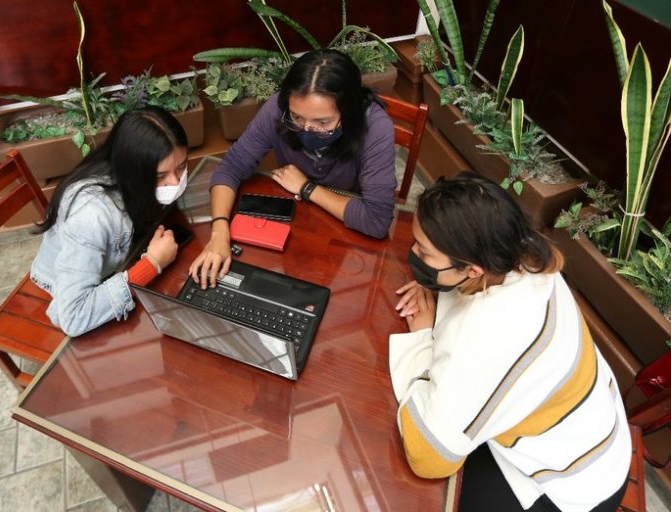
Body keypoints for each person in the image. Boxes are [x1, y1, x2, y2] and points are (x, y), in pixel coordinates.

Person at [391, 173, 631, 512]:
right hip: (591, 430)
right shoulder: (524, 255)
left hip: (571, 485)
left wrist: (420, 340)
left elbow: (428, 457)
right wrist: (436, 283)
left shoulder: (493, 331)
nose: (412, 254)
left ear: (472, 269)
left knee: (418, 492)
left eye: (424, 253)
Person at [190, 49, 397, 288]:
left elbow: (376, 220)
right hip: (294, 221)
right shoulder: (277, 109)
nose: (307, 129)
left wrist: (308, 188)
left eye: (323, 122)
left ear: (349, 111)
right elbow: (230, 167)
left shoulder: (376, 127)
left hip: (344, 228)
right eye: (297, 118)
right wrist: (218, 231)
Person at [31, 107, 187, 337]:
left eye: (181, 167)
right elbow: (74, 317)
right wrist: (152, 265)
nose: (175, 182)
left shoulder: (127, 177)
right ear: (133, 169)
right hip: (66, 288)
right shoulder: (90, 217)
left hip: (117, 264)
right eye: (160, 177)